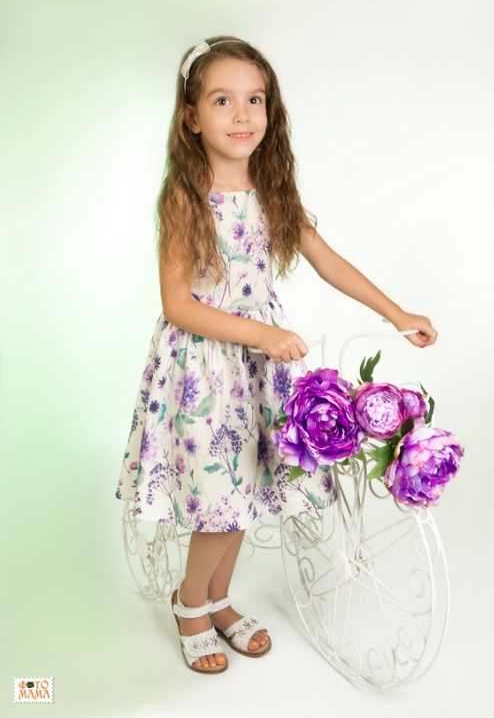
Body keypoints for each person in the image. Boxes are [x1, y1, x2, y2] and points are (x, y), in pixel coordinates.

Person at [115, 36, 437, 674]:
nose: (242, 115)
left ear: (271, 109)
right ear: (191, 117)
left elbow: (327, 261)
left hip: (257, 372)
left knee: (250, 483)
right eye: (223, 100)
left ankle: (218, 599)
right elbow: (178, 304)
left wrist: (396, 314)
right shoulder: (185, 196)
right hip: (206, 369)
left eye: (255, 99)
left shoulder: (270, 188)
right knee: (220, 498)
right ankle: (189, 604)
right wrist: (260, 334)